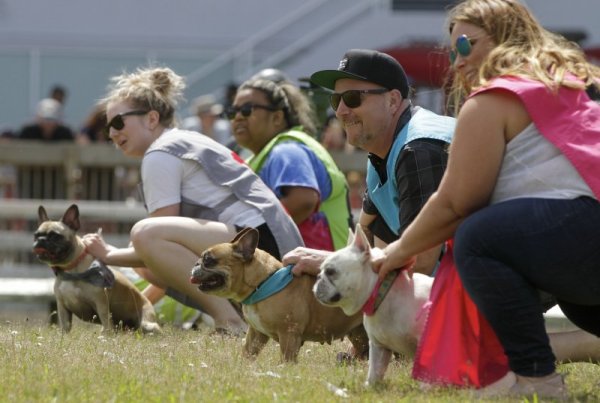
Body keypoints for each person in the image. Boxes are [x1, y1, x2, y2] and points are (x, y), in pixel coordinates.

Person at [373, 0, 600, 398]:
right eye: (450, 51)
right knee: (576, 298)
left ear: (507, 41)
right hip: (582, 244)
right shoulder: (573, 85)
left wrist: (397, 252)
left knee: (477, 236)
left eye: (465, 45)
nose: (456, 61)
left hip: (582, 234)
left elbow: (456, 203)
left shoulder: (493, 99)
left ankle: (536, 379)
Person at [82, 66, 304, 335]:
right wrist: (140, 310)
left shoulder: (159, 153)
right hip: (275, 247)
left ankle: (230, 323)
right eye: (108, 127)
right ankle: (242, 321)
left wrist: (108, 254)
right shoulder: (183, 139)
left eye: (118, 122)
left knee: (143, 235)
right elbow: (161, 262)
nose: (112, 133)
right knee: (146, 252)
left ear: (151, 119)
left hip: (259, 246)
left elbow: (150, 243)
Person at [284, 48, 454, 275]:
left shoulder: (417, 148)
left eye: (353, 98)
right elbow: (363, 242)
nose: (341, 111)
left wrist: (326, 263)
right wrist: (331, 263)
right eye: (336, 100)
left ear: (393, 100)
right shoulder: (385, 148)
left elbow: (421, 263)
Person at [229, 76, 353, 251]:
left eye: (247, 109)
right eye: (232, 112)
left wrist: (249, 234)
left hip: (321, 271)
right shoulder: (261, 156)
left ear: (277, 117)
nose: (238, 117)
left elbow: (303, 201)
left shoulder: (287, 151)